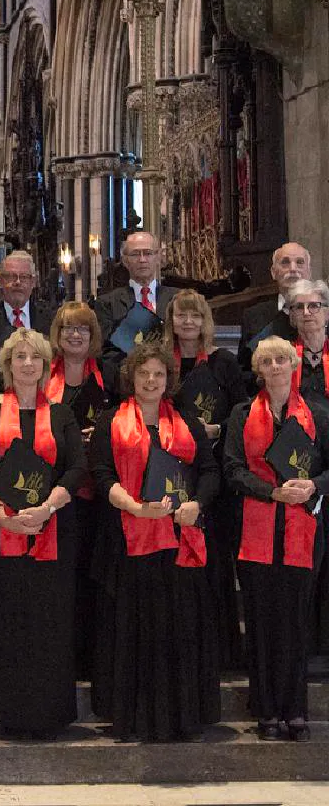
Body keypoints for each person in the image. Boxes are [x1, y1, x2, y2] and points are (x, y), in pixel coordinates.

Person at [89, 342, 220, 742]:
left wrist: (197, 503)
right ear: (132, 377)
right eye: (144, 374)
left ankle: (179, 718)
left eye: (159, 375)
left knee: (177, 631)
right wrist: (133, 506)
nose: (151, 381)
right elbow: (100, 473)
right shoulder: (112, 421)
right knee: (132, 629)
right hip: (128, 542)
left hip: (179, 543)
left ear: (169, 380)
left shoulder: (188, 422)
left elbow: (210, 470)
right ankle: (134, 718)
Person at [0, 328, 86, 738]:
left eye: (34, 357)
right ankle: (8, 711)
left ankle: (48, 712)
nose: (27, 364)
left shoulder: (61, 414)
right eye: (19, 357)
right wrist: (3, 515)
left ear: (44, 365)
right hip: (2, 530)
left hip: (52, 528)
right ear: (8, 365)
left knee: (49, 619)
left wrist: (48, 505)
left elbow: (76, 466)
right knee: (8, 617)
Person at [222, 336, 329, 741]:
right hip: (256, 528)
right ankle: (266, 709)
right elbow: (232, 468)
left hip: (303, 528)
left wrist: (314, 485)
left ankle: (295, 709)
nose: (276, 366)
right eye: (268, 360)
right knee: (263, 622)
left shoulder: (318, 414)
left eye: (283, 359)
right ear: (259, 369)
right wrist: (272, 492)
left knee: (296, 622)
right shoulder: (241, 414)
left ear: (294, 363)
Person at [164, 289, 248, 668]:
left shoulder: (223, 362)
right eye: (181, 316)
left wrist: (217, 429)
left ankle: (221, 648)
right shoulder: (164, 363)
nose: (187, 323)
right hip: (174, 468)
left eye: (194, 316)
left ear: (205, 322)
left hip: (215, 470)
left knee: (215, 555)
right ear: (171, 322)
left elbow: (243, 411)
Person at [44, 301, 114, 678]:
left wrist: (98, 434)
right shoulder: (42, 375)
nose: (75, 335)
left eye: (82, 330)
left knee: (91, 573)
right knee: (60, 576)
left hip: (97, 492)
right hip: (54, 490)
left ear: (92, 336)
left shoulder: (107, 375)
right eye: (69, 328)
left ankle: (90, 655)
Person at [92, 231, 175, 364]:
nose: (142, 260)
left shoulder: (176, 299)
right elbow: (106, 353)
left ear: (158, 257)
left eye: (148, 253)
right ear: (125, 261)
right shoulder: (107, 304)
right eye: (135, 254)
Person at [0, 251, 54, 388]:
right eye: (11, 276)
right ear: (0, 281)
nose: (17, 282)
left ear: (33, 282)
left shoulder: (50, 320)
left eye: (24, 277)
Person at [238, 242, 309, 382]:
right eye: (285, 263)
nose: (293, 269)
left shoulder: (324, 313)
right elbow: (244, 370)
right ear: (273, 272)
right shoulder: (253, 316)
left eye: (300, 262)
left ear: (309, 271)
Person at [285, 279, 329, 409]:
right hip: (295, 426)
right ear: (292, 316)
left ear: (326, 313)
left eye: (314, 306)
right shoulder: (283, 357)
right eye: (299, 307)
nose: (306, 312)